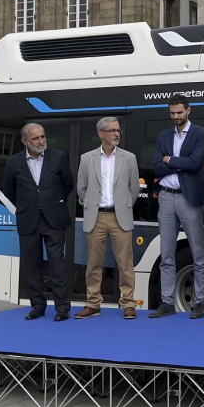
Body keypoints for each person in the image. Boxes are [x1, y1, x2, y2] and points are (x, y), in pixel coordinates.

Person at [3, 123, 75, 321]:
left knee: (57, 264)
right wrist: (29, 205)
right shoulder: (13, 162)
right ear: (24, 141)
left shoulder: (58, 157)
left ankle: (62, 307)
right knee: (32, 265)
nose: (41, 141)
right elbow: (9, 190)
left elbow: (67, 184)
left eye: (43, 136)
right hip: (28, 220)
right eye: (35, 138)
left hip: (54, 218)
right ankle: (37, 306)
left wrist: (51, 202)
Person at [150, 94, 204, 319]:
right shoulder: (163, 135)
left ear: (188, 111)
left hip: (188, 198)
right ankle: (167, 302)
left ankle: (199, 302)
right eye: (172, 113)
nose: (176, 117)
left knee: (198, 252)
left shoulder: (201, 133)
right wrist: (176, 164)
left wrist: (170, 160)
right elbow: (156, 167)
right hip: (165, 197)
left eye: (179, 113)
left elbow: (195, 164)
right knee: (166, 253)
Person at [76, 117, 139, 320]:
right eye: (112, 130)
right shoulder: (87, 158)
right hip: (96, 217)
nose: (116, 134)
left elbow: (134, 189)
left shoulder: (129, 158)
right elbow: (81, 188)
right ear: (101, 134)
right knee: (93, 264)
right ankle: (93, 303)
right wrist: (94, 203)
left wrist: (123, 205)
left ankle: (128, 304)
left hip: (120, 216)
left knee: (125, 264)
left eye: (118, 130)